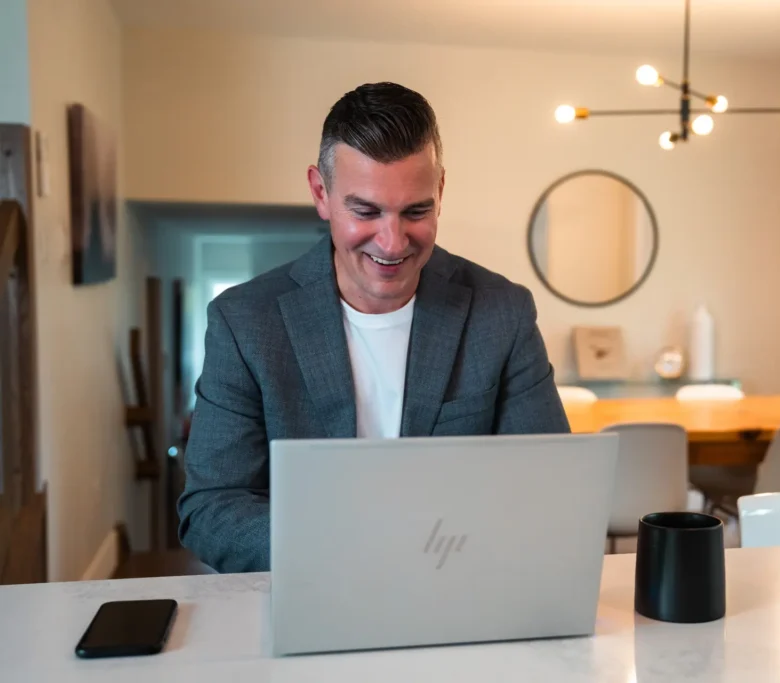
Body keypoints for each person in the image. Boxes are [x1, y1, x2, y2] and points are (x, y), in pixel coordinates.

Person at [178, 82, 569, 573]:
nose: (391, 241)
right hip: (311, 590)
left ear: (440, 192)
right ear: (321, 193)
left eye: (416, 211)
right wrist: (346, 554)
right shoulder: (244, 322)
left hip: (462, 589)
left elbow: (546, 488)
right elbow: (213, 505)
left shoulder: (503, 313)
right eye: (365, 211)